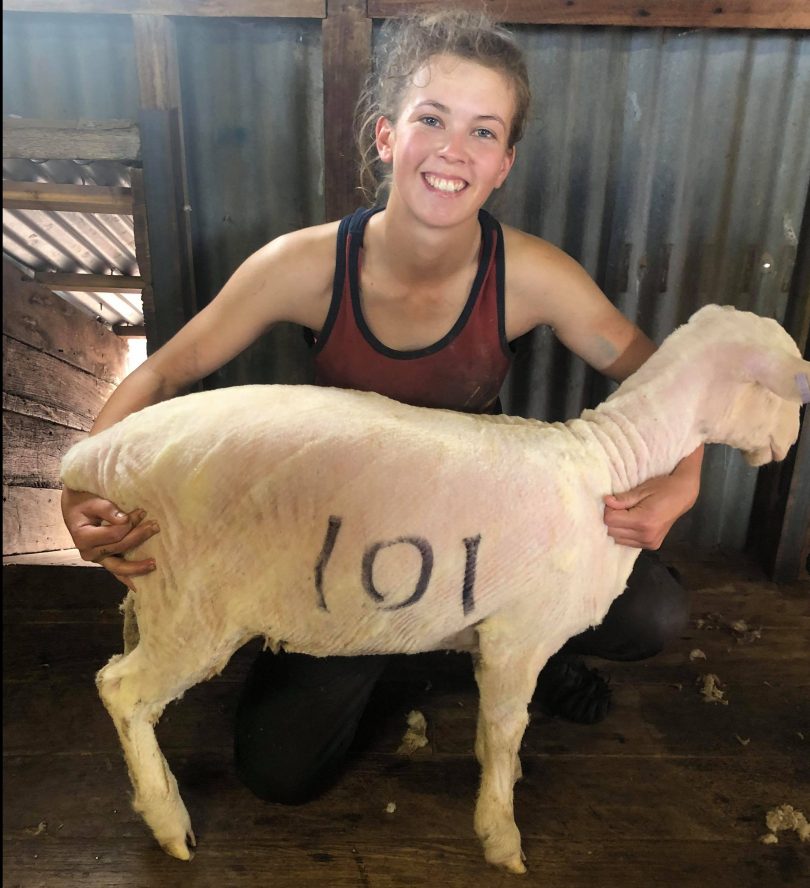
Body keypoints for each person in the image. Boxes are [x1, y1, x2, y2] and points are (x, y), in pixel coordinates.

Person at [61, 12, 698, 805]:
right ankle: (437, 659)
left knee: (652, 614)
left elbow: (669, 378)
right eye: (431, 119)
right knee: (279, 770)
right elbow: (164, 370)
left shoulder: (533, 275)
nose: (452, 150)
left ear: (503, 164)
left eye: (483, 131)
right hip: (350, 543)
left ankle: (510, 640)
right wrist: (79, 480)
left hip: (490, 532)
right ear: (386, 136)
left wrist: (685, 482)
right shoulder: (304, 265)